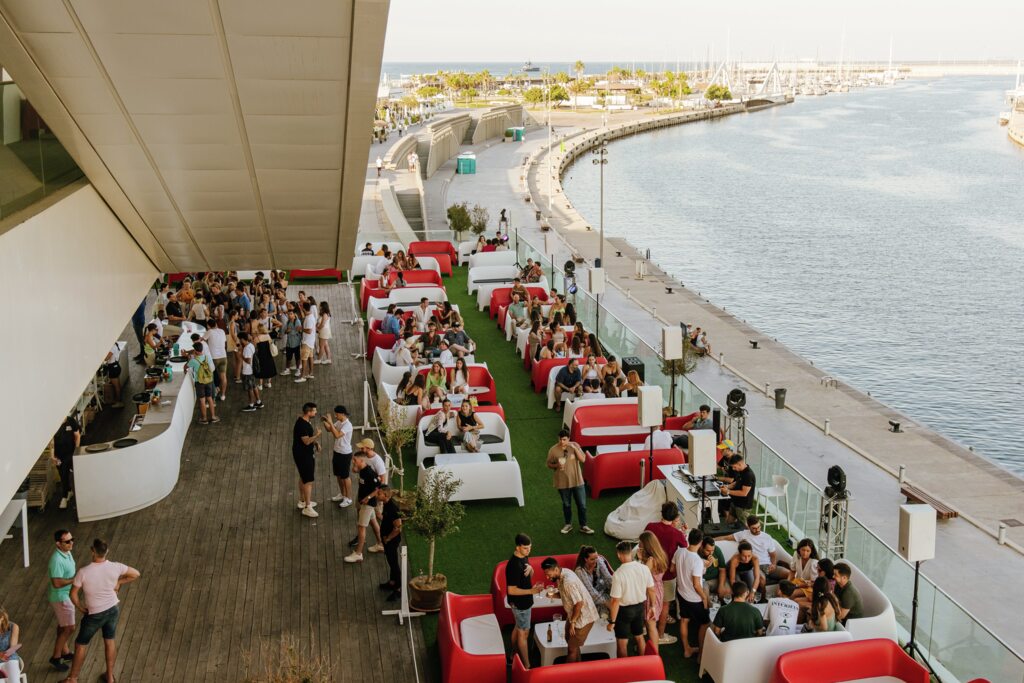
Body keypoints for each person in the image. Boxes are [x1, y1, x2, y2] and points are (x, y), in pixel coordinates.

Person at [65, 539, 141, 683]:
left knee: (81, 644)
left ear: (92, 551)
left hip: (94, 614)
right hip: (113, 609)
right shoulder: (116, 567)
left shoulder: (83, 572)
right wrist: (118, 582)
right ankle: (110, 677)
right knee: (109, 640)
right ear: (107, 552)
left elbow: (73, 594)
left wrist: (80, 607)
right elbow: (136, 574)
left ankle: (73, 679)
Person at [644, 502, 687, 644]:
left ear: (661, 513)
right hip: (668, 574)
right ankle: (661, 635)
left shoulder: (650, 527)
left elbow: (643, 542)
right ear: (675, 517)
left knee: (647, 600)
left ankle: (646, 626)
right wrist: (682, 532)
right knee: (664, 605)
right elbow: (685, 547)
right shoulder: (676, 534)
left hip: (649, 572)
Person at [541, 556, 598, 663]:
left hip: (584, 617)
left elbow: (579, 603)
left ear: (556, 569)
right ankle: (578, 669)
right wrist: (552, 595)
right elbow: (566, 595)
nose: (547, 578)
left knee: (571, 649)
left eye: (548, 574)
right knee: (572, 643)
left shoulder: (568, 581)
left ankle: (568, 675)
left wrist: (573, 622)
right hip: (574, 614)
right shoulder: (561, 574)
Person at [606, 540, 656, 658]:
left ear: (619, 554)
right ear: (630, 552)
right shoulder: (644, 568)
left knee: (622, 642)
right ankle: (643, 665)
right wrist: (653, 606)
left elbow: (615, 601)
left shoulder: (618, 574)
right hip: (640, 607)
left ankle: (625, 671)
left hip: (624, 611)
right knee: (639, 636)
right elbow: (651, 590)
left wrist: (612, 622)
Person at [506, 534, 544, 670]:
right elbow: (511, 590)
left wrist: (531, 569)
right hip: (520, 604)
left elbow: (528, 576)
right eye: (525, 548)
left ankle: (512, 655)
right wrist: (531, 592)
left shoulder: (524, 557)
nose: (529, 551)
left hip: (524, 602)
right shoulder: (513, 565)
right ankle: (527, 666)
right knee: (524, 633)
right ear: (517, 547)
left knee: (518, 626)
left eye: (530, 548)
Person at [546, 430, 592, 534]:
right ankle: (568, 524)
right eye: (560, 439)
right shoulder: (553, 450)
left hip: (577, 481)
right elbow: (548, 464)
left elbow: (583, 460)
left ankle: (583, 526)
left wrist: (574, 448)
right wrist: (557, 465)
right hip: (562, 482)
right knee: (566, 504)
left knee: (582, 505)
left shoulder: (575, 445)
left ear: (569, 438)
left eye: (564, 439)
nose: (562, 442)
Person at [675, 528, 710, 658]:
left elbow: (673, 568)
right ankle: (701, 653)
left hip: (681, 593)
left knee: (684, 620)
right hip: (694, 598)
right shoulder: (697, 560)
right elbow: (696, 584)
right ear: (701, 542)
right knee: (705, 623)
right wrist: (704, 597)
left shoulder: (679, 552)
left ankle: (687, 649)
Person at [725, 515, 789, 584]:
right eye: (754, 528)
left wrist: (773, 564)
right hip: (754, 566)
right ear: (748, 527)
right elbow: (726, 537)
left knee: (789, 574)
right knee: (762, 579)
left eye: (759, 527)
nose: (758, 530)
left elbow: (773, 554)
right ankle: (763, 594)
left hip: (767, 565)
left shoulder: (767, 537)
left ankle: (784, 591)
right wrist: (712, 541)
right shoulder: (743, 534)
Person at [345, 450, 381, 564]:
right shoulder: (362, 470)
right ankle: (380, 544)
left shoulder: (370, 473)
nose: (353, 462)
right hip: (362, 500)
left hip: (368, 504)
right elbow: (355, 471)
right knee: (373, 522)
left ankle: (358, 553)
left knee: (361, 527)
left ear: (362, 460)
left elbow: (379, 488)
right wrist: (355, 468)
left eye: (355, 460)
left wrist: (369, 498)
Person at [47, 530, 76, 671]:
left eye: (72, 540)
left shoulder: (66, 552)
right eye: (67, 541)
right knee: (70, 628)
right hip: (60, 597)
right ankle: (56, 657)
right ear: (58, 544)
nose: (71, 543)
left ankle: (65, 652)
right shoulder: (57, 560)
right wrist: (74, 581)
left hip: (64, 595)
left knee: (63, 626)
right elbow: (56, 583)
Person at [636, 531, 669, 653]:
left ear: (647, 545)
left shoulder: (650, 560)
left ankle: (654, 654)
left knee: (651, 625)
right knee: (651, 623)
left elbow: (643, 577)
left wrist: (640, 559)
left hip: (651, 594)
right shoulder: (661, 555)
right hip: (658, 589)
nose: (639, 546)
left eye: (640, 544)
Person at [292, 402, 322, 518]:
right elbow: (306, 441)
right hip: (303, 455)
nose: (316, 412)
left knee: (303, 477)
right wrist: (317, 435)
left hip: (303, 453)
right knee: (308, 481)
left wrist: (315, 443)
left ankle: (302, 501)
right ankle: (308, 507)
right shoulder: (302, 425)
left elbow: (308, 438)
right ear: (308, 412)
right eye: (314, 411)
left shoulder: (305, 421)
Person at [323, 405, 353, 508]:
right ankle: (342, 494)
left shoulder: (348, 425)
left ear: (342, 414)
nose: (335, 416)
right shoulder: (339, 422)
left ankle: (348, 498)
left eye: (336, 414)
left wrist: (330, 422)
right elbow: (329, 429)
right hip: (337, 452)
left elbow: (337, 435)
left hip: (345, 453)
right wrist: (325, 421)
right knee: (338, 475)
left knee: (345, 476)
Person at [377, 485, 403, 601]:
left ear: (386, 495)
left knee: (394, 564)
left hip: (391, 542)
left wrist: (388, 539)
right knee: (391, 562)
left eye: (379, 494)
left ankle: (398, 589)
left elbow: (398, 528)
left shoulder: (393, 508)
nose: (377, 495)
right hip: (387, 541)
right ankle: (392, 582)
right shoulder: (386, 505)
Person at [574, 546, 613, 616]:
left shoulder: (599, 561)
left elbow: (608, 578)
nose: (595, 560)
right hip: (588, 598)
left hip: (603, 593)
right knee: (604, 614)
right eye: (592, 559)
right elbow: (590, 592)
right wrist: (607, 603)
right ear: (585, 559)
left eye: (596, 557)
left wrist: (616, 592)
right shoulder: (580, 571)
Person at [718, 452, 756, 524]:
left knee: (744, 527)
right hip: (735, 503)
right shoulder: (741, 471)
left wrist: (728, 492)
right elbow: (736, 482)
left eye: (734, 467)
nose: (733, 469)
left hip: (743, 506)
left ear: (740, 464)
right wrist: (727, 486)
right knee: (728, 523)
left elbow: (744, 493)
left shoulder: (748, 475)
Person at [52, 415, 80, 510]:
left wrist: (76, 451)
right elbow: (51, 441)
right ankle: (68, 491)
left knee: (68, 474)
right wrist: (53, 456)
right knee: (62, 475)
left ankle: (64, 497)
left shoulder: (71, 421)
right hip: (59, 456)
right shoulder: (53, 423)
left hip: (70, 453)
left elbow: (77, 435)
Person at [187, 342, 219, 424]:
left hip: (200, 383)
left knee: (202, 400)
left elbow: (186, 366)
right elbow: (212, 368)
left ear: (196, 351)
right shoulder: (207, 357)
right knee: (210, 399)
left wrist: (190, 358)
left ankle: (204, 419)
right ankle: (213, 417)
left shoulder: (194, 360)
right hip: (209, 381)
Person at [203, 320, 229, 401]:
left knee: (211, 378)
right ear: (216, 324)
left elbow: (201, 340)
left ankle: (213, 397)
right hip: (223, 356)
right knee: (223, 377)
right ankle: (223, 395)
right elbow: (224, 343)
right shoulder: (222, 331)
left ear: (208, 326)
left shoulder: (209, 331)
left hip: (213, 358)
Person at [239, 332, 263, 412]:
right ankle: (259, 402)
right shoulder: (251, 345)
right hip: (252, 370)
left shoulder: (247, 349)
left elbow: (248, 361)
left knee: (250, 389)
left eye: (240, 339)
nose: (239, 341)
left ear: (242, 339)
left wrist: (241, 356)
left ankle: (251, 405)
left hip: (248, 371)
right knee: (254, 386)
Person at [294, 302, 317, 383]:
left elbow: (309, 331)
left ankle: (302, 376)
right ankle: (310, 373)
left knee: (304, 359)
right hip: (310, 341)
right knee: (310, 357)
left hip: (307, 342)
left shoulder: (309, 318)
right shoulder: (310, 316)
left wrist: (301, 329)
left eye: (301, 307)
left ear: (304, 309)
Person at [281, 309, 302, 376]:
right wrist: (287, 331)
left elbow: (297, 331)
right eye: (288, 314)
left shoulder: (297, 321)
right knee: (288, 357)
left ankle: (298, 369)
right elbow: (284, 331)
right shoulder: (288, 322)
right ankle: (287, 369)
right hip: (289, 343)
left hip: (296, 343)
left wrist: (289, 331)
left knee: (297, 357)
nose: (289, 315)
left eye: (291, 314)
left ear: (294, 315)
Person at [0, 606, 19, 674]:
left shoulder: (13, 627)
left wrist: (5, 655)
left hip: (10, 659)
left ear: (2, 617)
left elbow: (12, 648)